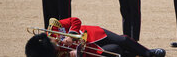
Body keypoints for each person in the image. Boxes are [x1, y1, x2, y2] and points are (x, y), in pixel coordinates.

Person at [25, 17, 166, 57]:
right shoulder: (58, 55)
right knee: (117, 49)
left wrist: (72, 36)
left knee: (123, 39)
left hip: (94, 33)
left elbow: (75, 20)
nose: (55, 42)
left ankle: (148, 53)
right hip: (91, 49)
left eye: (51, 40)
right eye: (53, 45)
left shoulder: (53, 28)